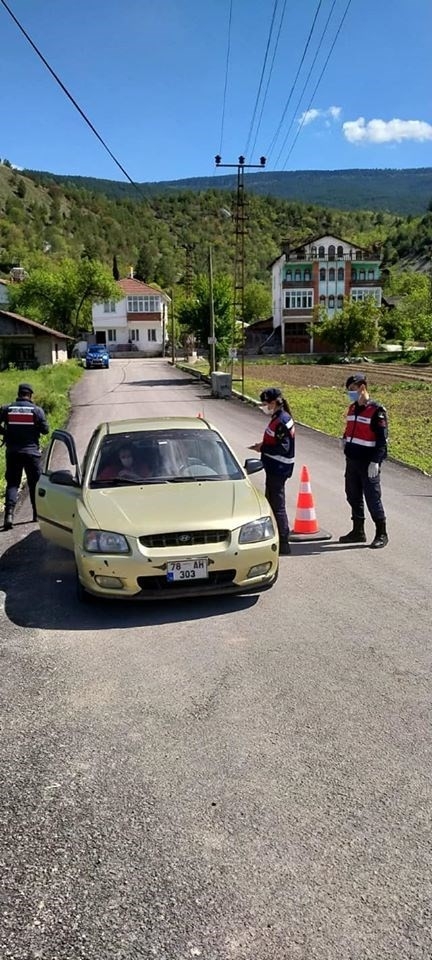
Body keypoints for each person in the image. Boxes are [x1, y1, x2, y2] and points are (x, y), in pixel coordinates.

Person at [339, 372, 388, 549]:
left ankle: (381, 533)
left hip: (368, 464)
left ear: (362, 388)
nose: (350, 393)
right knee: (353, 496)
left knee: (373, 498)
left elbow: (382, 441)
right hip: (352, 460)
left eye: (352, 389)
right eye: (348, 390)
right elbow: (351, 429)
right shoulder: (352, 408)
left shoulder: (377, 411)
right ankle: (358, 531)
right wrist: (344, 439)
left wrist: (376, 461)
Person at [250, 386, 295, 555]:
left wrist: (264, 448)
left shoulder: (282, 420)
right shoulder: (278, 417)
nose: (263, 406)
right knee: (272, 501)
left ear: (274, 403)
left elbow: (283, 447)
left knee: (277, 505)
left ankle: (284, 541)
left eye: (265, 403)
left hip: (279, 467)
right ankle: (277, 536)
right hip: (274, 466)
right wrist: (263, 446)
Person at [0, 382, 49, 530]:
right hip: (31, 453)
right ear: (30, 395)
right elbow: (46, 430)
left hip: (13, 452)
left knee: (13, 483)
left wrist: (6, 433)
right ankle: (36, 513)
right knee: (35, 483)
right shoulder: (36, 410)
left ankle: (9, 515)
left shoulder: (7, 409)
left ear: (19, 393)